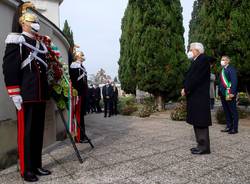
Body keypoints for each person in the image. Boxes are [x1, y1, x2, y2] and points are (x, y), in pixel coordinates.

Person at [2, 9, 51, 182]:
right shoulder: (17, 40)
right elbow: (9, 68)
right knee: (27, 132)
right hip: (26, 94)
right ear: (23, 22)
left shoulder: (39, 43)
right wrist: (14, 92)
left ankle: (37, 165)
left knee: (38, 132)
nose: (35, 23)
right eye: (32, 20)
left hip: (39, 95)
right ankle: (26, 169)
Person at [181, 42, 215, 155]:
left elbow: (195, 78)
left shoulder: (202, 59)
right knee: (197, 121)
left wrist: (186, 89)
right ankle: (200, 145)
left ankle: (204, 147)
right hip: (196, 96)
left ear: (197, 50)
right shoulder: (198, 60)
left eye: (191, 49)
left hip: (199, 97)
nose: (189, 51)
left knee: (201, 121)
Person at [70, 51, 90, 143]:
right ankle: (79, 136)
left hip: (83, 94)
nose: (83, 57)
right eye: (81, 55)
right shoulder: (74, 66)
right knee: (78, 115)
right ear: (77, 56)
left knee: (81, 115)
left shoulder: (81, 66)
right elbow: (75, 81)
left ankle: (82, 135)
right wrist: (77, 93)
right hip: (78, 94)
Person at [219, 56, 239, 134]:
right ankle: (228, 126)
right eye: (222, 60)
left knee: (233, 111)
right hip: (223, 94)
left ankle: (234, 128)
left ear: (228, 61)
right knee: (226, 111)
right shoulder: (223, 70)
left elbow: (234, 81)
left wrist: (232, 93)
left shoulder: (231, 69)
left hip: (229, 93)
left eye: (224, 60)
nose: (222, 61)